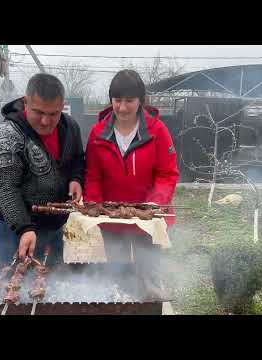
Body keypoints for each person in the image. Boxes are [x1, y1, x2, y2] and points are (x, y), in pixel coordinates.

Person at [83, 69, 179, 299]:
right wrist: (95, 206)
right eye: (117, 100)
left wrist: (154, 204)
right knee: (118, 275)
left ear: (141, 101)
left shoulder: (157, 132)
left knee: (149, 274)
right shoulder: (98, 134)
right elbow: (93, 176)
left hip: (148, 221)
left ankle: (150, 304)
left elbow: (167, 174)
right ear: (111, 100)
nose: (122, 107)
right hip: (112, 219)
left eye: (129, 101)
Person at [0, 73, 84, 267]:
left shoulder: (70, 127)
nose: (46, 121)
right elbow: (4, 186)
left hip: (54, 228)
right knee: (8, 288)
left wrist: (76, 178)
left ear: (62, 106)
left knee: (51, 288)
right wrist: (24, 227)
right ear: (25, 102)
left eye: (53, 113)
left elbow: (77, 158)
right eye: (39, 112)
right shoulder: (8, 134)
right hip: (14, 231)